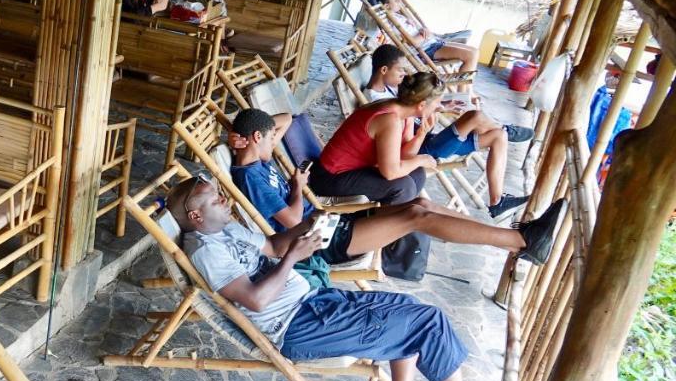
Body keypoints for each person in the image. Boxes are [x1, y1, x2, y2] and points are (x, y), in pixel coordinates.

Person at [167, 173, 521, 381]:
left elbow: (273, 247)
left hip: (315, 303)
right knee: (427, 323)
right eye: (216, 199)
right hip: (298, 327)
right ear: (196, 217)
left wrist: (308, 224)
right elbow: (256, 301)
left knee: (406, 311)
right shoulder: (205, 251)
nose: (225, 200)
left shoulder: (226, 229)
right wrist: (294, 258)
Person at [227, 107, 563, 267]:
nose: (277, 138)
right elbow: (290, 221)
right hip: (313, 242)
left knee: (422, 205)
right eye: (271, 137)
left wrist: (244, 135)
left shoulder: (257, 158)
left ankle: (519, 239)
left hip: (325, 224)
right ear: (258, 138)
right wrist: (298, 187)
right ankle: (521, 242)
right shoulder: (251, 176)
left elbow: (286, 118)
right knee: (417, 216)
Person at [364, 44, 533, 217]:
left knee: (499, 136)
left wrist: (442, 106)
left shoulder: (390, 88)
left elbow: (414, 107)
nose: (403, 75)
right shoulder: (375, 99)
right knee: (474, 116)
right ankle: (504, 127)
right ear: (384, 70)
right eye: (400, 70)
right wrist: (432, 111)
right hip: (422, 148)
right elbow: (401, 125)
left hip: (429, 139)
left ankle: (497, 201)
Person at [310, 70, 445, 206]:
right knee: (403, 186)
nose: (440, 107)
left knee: (417, 173)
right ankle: (380, 224)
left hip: (353, 171)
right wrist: (421, 159)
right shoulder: (389, 119)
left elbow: (404, 157)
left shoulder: (404, 112)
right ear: (421, 105)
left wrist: (421, 135)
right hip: (328, 178)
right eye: (438, 102)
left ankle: (401, 217)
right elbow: (391, 173)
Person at [373, 0, 478, 83]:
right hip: (426, 49)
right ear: (386, 6)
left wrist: (423, 30)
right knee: (471, 55)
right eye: (396, 1)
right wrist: (424, 35)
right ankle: (464, 94)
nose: (399, 2)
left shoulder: (397, 16)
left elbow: (415, 30)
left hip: (432, 42)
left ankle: (467, 93)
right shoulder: (393, 22)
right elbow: (412, 43)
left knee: (475, 51)